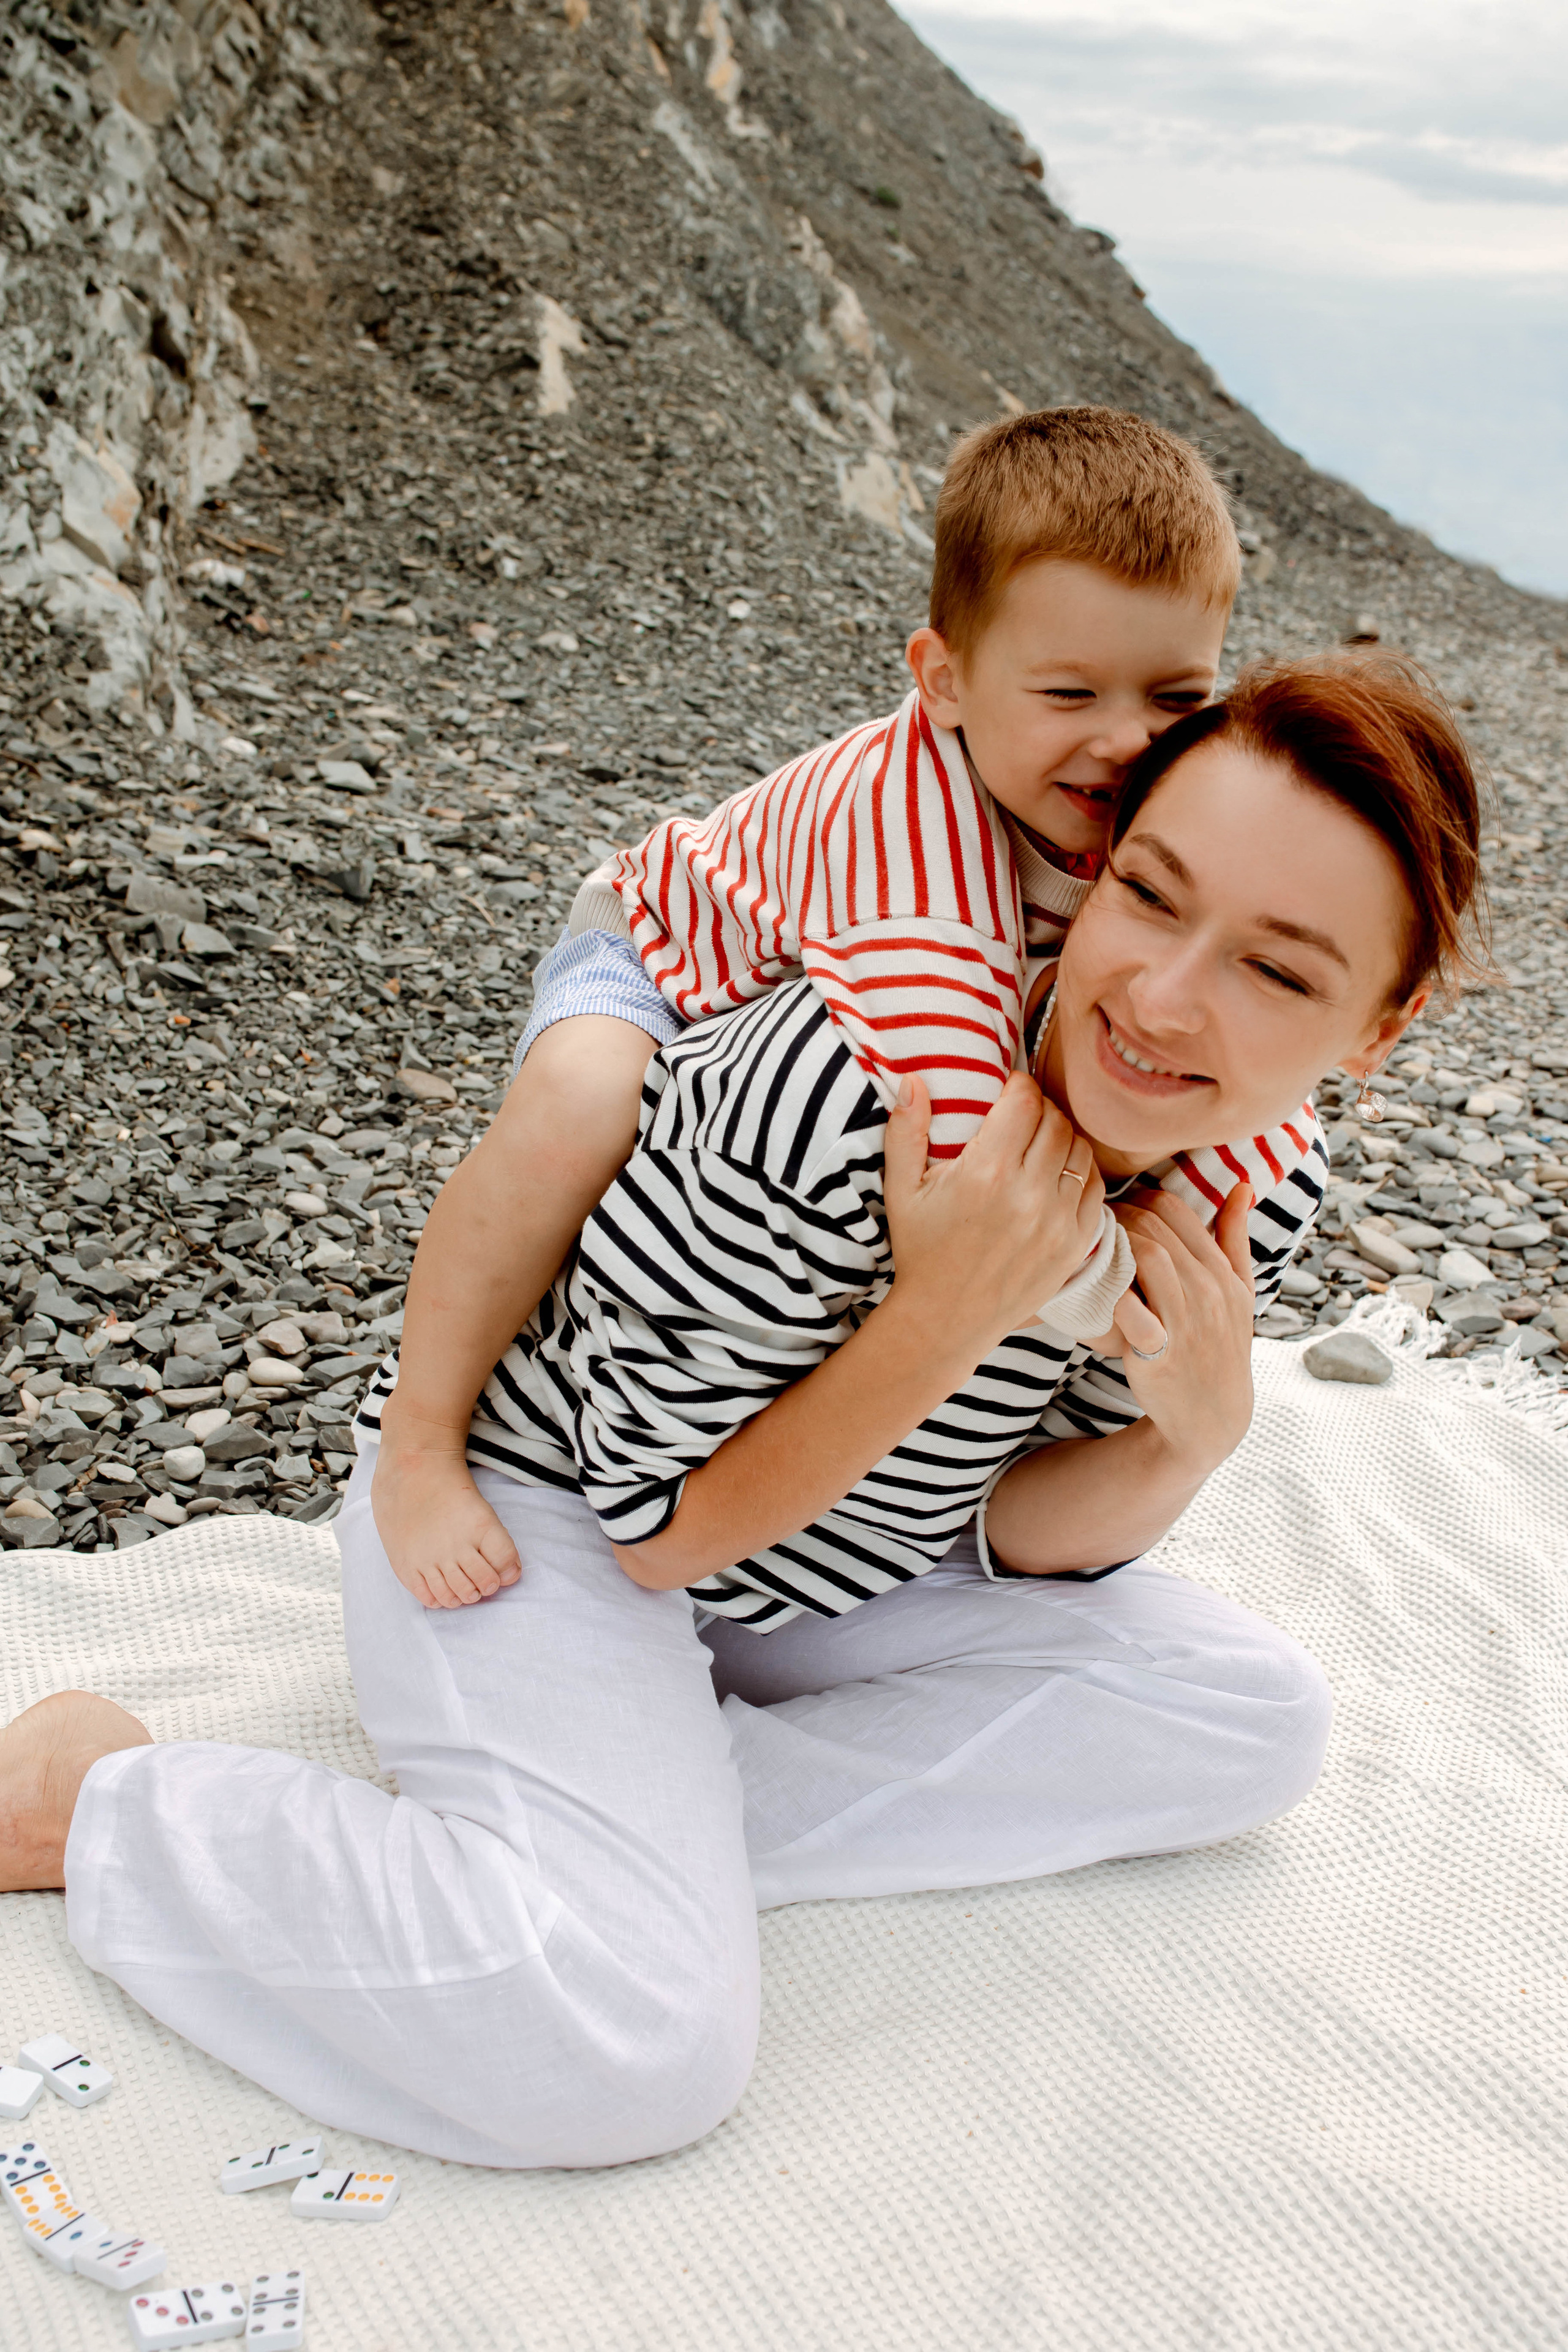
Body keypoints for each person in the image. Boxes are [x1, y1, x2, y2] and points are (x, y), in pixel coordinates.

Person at [0, 654, 1486, 2176]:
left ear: (1377, 1028)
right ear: (1094, 871)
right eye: (1150, 897)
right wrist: (939, 1312)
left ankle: (640, 1832)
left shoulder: (1248, 1180)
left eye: (1277, 974)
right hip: (554, 1504)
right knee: (630, 2056)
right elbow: (655, 1535)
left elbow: (1010, 1530)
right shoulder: (842, 1094)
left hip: (832, 1558)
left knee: (1250, 1717)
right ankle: (99, 1805)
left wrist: (1191, 1434)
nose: (1160, 1002)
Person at [375, 407, 1243, 1607]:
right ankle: (419, 1437)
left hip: (808, 999)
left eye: (1177, 697)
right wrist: (1117, 1305)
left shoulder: (1101, 801)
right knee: (577, 1110)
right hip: (662, 953)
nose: (1125, 739)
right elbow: (948, 1113)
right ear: (944, 681)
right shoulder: (908, 848)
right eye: (1067, 693)